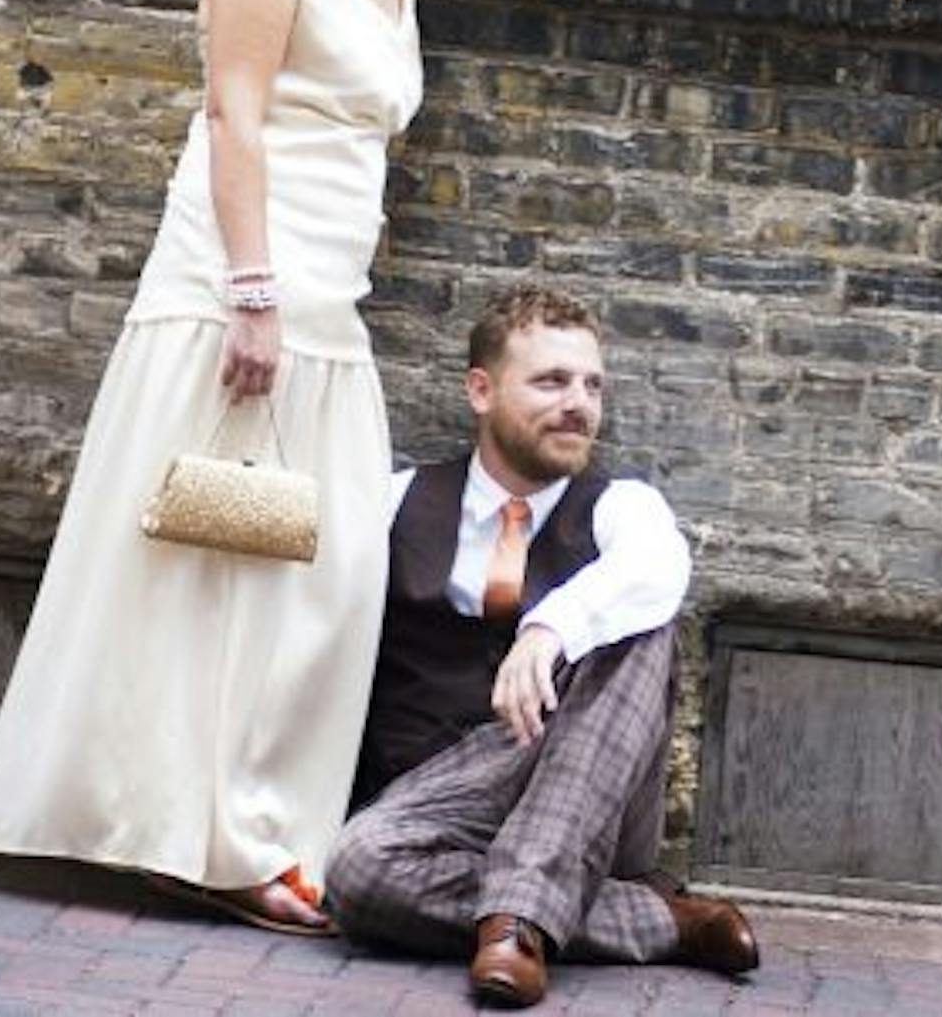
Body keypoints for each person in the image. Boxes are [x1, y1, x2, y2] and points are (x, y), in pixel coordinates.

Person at [0, 0, 449, 934]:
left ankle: (242, 817)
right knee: (223, 552)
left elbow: (361, 116)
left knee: (312, 565)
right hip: (245, 269)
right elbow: (236, 115)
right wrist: (251, 291)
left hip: (333, 278)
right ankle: (215, 841)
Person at [325, 285, 759, 1007]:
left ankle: (520, 925)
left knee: (644, 619)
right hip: (438, 801)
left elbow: (658, 567)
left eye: (591, 384)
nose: (579, 403)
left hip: (593, 784)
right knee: (360, 869)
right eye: (551, 380)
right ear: (481, 389)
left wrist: (550, 627)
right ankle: (660, 921)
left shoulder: (624, 508)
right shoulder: (394, 500)